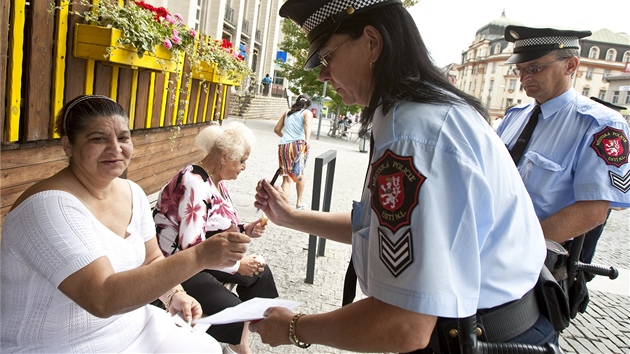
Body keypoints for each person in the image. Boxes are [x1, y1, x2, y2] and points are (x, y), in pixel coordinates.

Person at [250, 1, 556, 352]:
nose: (322, 74)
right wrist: (291, 217)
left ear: (372, 43)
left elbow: (404, 324)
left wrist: (293, 327)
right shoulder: (417, 114)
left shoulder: (411, 135)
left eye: (327, 57)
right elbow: (377, 228)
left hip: (475, 336)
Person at [0, 95, 251, 353]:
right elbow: (102, 298)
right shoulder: (47, 207)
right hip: (64, 345)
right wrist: (199, 256)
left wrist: (174, 294)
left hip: (134, 326)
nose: (115, 148)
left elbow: (152, 258)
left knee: (207, 347)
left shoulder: (131, 191)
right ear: (68, 145)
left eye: (123, 138)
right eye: (98, 138)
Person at [497, 25, 630, 247]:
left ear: (571, 65)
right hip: (492, 241)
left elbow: (593, 211)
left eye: (534, 68)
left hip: (538, 256)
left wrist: (518, 249)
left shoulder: (601, 125)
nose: (524, 78)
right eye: (519, 70)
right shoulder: (514, 117)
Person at [153, 121, 279, 354]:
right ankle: (237, 344)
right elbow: (192, 247)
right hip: (177, 264)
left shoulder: (215, 181)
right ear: (224, 157)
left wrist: (245, 229)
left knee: (261, 273)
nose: (244, 167)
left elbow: (216, 224)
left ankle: (250, 336)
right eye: (241, 160)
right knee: (233, 308)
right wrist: (237, 266)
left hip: (201, 258)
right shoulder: (195, 183)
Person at [273, 94, 313, 210]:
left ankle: (283, 206)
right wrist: (307, 140)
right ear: (308, 105)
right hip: (299, 145)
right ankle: (299, 202)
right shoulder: (306, 113)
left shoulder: (287, 113)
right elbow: (307, 125)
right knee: (299, 173)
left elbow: (276, 130)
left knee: (286, 178)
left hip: (284, 146)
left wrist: (286, 137)